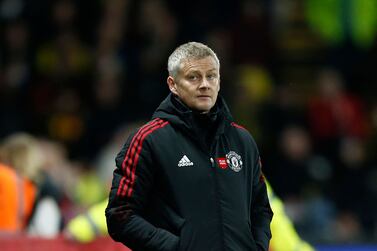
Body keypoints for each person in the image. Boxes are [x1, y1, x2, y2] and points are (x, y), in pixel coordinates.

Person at [106, 42, 273, 250]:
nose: (205, 84)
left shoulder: (243, 140)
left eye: (211, 76)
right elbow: (120, 215)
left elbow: (261, 209)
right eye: (193, 77)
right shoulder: (149, 140)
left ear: (219, 81)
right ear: (172, 84)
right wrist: (176, 248)